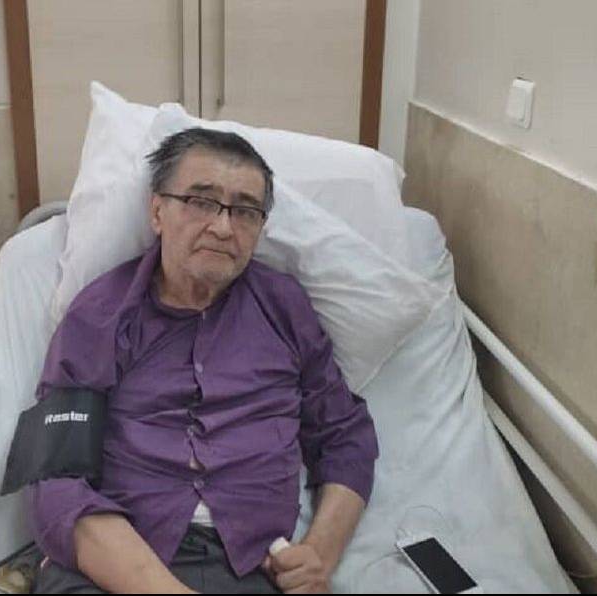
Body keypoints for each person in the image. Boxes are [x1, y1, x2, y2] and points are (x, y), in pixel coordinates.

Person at [29, 127, 378, 594]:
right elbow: (56, 476)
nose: (223, 227)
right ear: (158, 211)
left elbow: (345, 435)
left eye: (245, 211)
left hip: (251, 568)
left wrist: (318, 554)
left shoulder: (284, 308)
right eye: (201, 201)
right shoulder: (101, 314)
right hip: (117, 563)